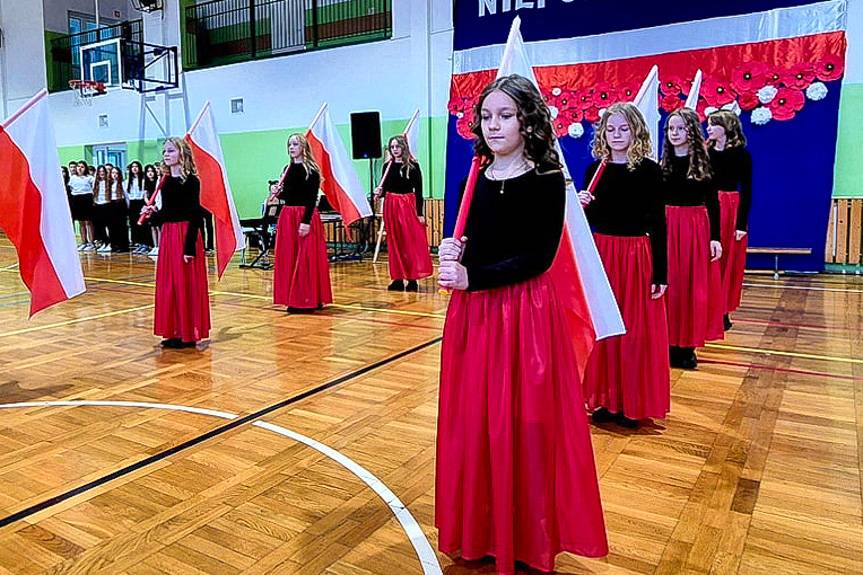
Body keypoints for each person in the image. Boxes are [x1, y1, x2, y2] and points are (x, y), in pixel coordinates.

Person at [436, 74, 608, 575]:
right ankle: (482, 529)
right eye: (487, 116)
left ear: (528, 120)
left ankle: (526, 537)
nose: (494, 125)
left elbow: (537, 256)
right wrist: (455, 249)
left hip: (523, 315)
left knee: (521, 426)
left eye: (505, 115)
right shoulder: (476, 174)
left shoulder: (548, 179)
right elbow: (475, 237)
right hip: (474, 315)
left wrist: (474, 274)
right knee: (476, 422)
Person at [579, 102, 669, 428]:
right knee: (603, 329)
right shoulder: (595, 171)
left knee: (633, 331)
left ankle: (630, 401)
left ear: (636, 131)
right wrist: (581, 205)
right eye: (610, 129)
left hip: (635, 255)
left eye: (623, 129)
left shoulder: (648, 170)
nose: (616, 135)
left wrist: (661, 272)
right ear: (603, 133)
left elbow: (659, 222)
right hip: (602, 255)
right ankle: (604, 398)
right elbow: (588, 224)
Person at [661, 108, 724, 369]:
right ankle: (667, 342)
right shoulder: (660, 164)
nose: (675, 134)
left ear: (691, 131)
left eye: (680, 129)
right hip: (667, 225)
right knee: (669, 285)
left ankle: (686, 345)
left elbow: (713, 202)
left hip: (694, 227)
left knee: (690, 287)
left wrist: (715, 237)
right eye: (671, 129)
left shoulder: (704, 162)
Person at [140, 138, 210, 348]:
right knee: (170, 284)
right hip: (170, 235)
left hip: (186, 235)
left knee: (185, 284)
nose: (166, 155)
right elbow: (168, 213)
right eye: (164, 152)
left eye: (170, 151)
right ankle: (173, 330)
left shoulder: (192, 181)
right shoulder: (166, 181)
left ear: (182, 154)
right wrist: (152, 215)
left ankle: (187, 332)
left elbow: (195, 215)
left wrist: (189, 247)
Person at [271, 133, 332, 312]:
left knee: (307, 259)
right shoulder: (288, 169)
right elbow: (288, 195)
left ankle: (309, 298)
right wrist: (277, 191)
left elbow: (311, 197)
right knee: (290, 257)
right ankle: (293, 297)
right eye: (289, 144)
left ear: (303, 147)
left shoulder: (311, 170)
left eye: (295, 144)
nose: (291, 147)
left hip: (305, 216)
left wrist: (305, 222)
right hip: (288, 216)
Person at [707, 110, 753, 330]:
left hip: (731, 208)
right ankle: (707, 308)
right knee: (708, 260)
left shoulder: (741, 155)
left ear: (726, 127)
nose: (708, 129)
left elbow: (747, 189)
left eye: (713, 125)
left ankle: (723, 310)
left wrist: (741, 223)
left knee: (728, 262)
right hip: (707, 207)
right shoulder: (705, 153)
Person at [373, 135, 432, 291]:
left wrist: (419, 212)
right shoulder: (388, 166)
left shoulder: (413, 166)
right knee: (395, 243)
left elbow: (419, 191)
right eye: (392, 147)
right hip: (391, 205)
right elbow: (385, 189)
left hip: (406, 205)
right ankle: (397, 278)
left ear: (404, 147)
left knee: (409, 242)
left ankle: (412, 279)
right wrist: (379, 192)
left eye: (397, 147)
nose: (395, 150)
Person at [69, 161, 95, 251]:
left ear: (85, 168)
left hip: (87, 198)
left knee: (88, 222)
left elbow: (94, 189)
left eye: (82, 167)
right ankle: (84, 242)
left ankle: (91, 242)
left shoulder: (90, 178)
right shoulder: (73, 178)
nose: (80, 168)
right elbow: (71, 188)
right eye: (78, 166)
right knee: (81, 222)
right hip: (76, 199)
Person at [127, 161, 151, 254]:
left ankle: (146, 244)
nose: (134, 168)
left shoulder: (144, 180)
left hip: (141, 203)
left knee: (143, 224)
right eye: (133, 167)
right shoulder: (129, 181)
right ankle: (139, 243)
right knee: (134, 224)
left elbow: (145, 194)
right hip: (132, 203)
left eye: (136, 166)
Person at [109, 166, 130, 252]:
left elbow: (126, 197)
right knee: (113, 226)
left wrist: (128, 207)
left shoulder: (123, 183)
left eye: (116, 173)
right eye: (113, 173)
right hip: (112, 205)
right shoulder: (109, 184)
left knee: (122, 226)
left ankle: (123, 246)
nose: (115, 175)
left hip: (120, 204)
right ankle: (114, 245)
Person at [144, 163, 161, 256]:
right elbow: (145, 195)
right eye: (148, 171)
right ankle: (155, 246)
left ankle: (160, 246)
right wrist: (148, 204)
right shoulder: (146, 182)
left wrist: (154, 205)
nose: (150, 173)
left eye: (152, 171)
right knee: (152, 227)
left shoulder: (157, 181)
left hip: (157, 206)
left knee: (158, 227)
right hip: (150, 206)